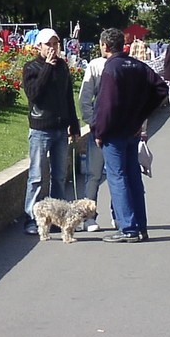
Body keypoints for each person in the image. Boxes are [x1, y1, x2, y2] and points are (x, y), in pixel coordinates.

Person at [93, 28, 168, 243]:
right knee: (133, 177)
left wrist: (100, 130)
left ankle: (128, 228)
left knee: (117, 178)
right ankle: (140, 226)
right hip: (132, 128)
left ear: (105, 46)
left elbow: (106, 104)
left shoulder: (111, 68)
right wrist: (142, 115)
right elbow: (161, 88)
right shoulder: (138, 65)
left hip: (114, 131)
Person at [22, 28, 81, 235]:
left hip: (60, 129)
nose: (52, 48)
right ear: (39, 46)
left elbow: (67, 98)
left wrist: (74, 125)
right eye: (48, 44)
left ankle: (58, 218)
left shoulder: (63, 67)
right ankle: (31, 218)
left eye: (55, 44)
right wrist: (47, 66)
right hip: (40, 128)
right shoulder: (31, 67)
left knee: (58, 175)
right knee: (37, 176)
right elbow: (34, 94)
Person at [78, 54, 108, 231]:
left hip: (100, 127)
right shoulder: (130, 64)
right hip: (117, 128)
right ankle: (118, 216)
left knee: (94, 174)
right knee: (117, 175)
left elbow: (84, 97)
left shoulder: (95, 65)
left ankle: (89, 218)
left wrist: (92, 122)